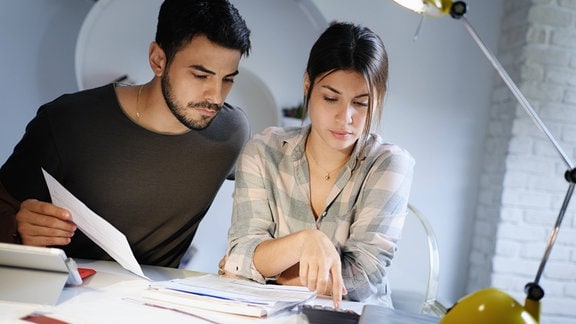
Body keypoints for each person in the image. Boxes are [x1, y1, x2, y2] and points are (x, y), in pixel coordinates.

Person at [0, 0, 251, 268]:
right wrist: (17, 228)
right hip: (64, 292)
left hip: (153, 301)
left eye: (228, 79)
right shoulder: (68, 121)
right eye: (200, 76)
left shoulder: (231, 132)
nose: (215, 96)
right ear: (158, 60)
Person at [222, 22, 415, 308]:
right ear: (307, 85)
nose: (345, 117)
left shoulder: (389, 165)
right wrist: (304, 242)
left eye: (361, 103)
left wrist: (265, 271)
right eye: (330, 98)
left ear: (379, 98)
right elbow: (243, 251)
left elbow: (362, 279)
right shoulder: (264, 151)